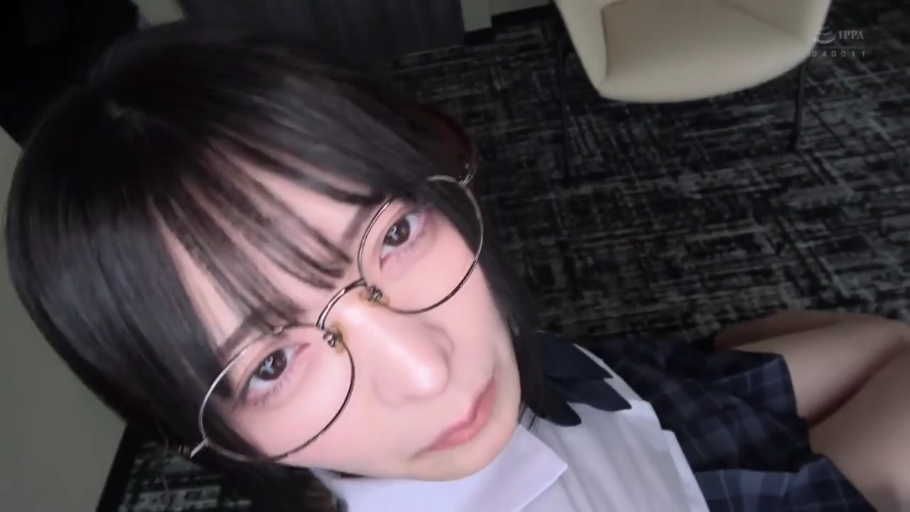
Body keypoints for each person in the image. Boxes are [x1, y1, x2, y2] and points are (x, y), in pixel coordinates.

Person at [5, 23, 909, 512]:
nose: (428, 369)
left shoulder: (488, 372)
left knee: (883, 343)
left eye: (393, 234)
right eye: (272, 363)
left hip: (617, 396)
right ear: (208, 439)